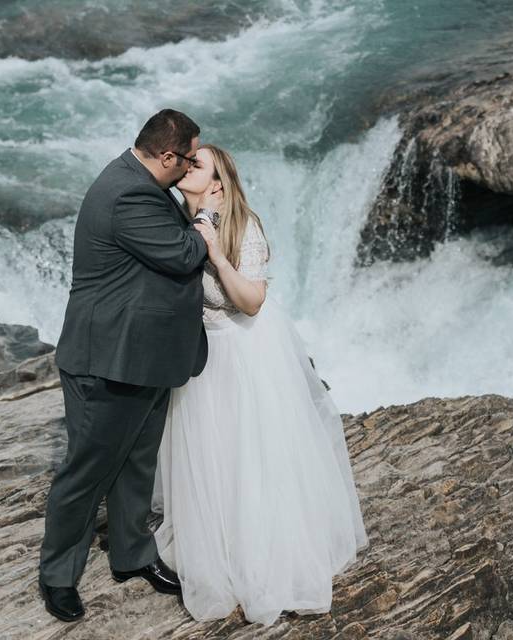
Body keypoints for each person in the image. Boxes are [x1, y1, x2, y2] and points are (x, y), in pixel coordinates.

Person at [151, 144, 368, 626]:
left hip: (244, 352)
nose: (187, 167)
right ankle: (221, 544)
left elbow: (251, 302)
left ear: (219, 185)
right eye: (186, 161)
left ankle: (268, 555)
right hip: (199, 356)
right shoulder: (174, 218)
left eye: (198, 164)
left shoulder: (241, 225)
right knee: (213, 458)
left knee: (253, 455)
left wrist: (215, 256)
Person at [38, 109, 222, 622]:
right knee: (87, 471)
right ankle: (57, 574)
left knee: (138, 463)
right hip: (107, 360)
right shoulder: (128, 194)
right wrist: (205, 215)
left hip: (142, 355)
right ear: (167, 155)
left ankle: (132, 554)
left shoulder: (141, 182)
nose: (189, 170)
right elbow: (183, 254)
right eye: (187, 159)